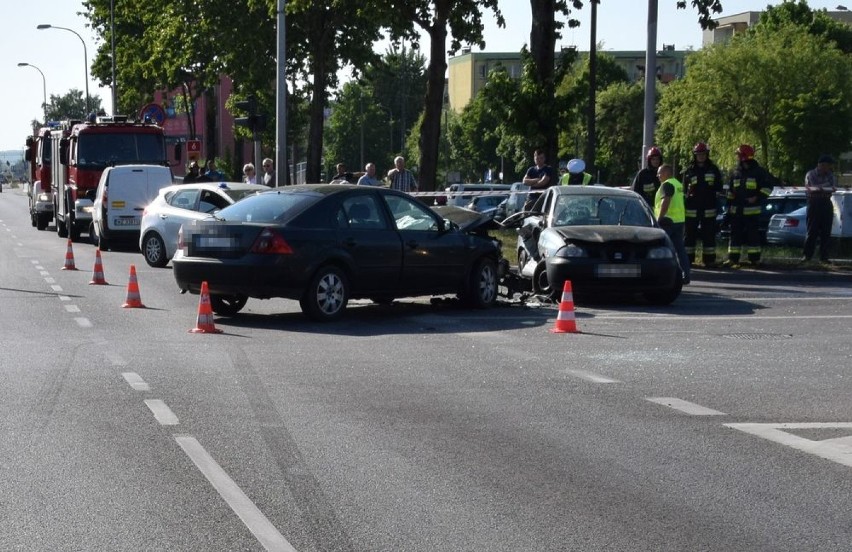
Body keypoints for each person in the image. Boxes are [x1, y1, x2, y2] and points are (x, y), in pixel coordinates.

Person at [723, 144, 773, 267]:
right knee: (735, 236)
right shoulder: (735, 172)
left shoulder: (759, 172)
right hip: (736, 211)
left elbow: (768, 188)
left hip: (751, 211)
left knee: (753, 236)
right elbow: (730, 190)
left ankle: (754, 260)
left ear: (744, 156)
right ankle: (733, 259)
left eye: (739, 155)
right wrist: (728, 207)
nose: (737, 158)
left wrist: (756, 197)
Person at [681, 142, 724, 267]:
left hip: (708, 207)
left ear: (707, 154)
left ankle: (709, 260)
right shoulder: (689, 171)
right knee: (689, 235)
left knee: (709, 235)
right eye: (698, 154)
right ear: (695, 155)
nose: (701, 156)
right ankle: (688, 260)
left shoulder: (713, 169)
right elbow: (683, 190)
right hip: (692, 208)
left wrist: (712, 190)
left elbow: (719, 186)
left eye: (703, 154)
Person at [656, 164, 690, 284]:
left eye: (660, 173)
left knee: (659, 249)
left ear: (667, 173)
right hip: (679, 221)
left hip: (667, 222)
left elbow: (666, 201)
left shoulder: (667, 184)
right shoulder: (678, 184)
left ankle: (660, 275)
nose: (658, 175)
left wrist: (658, 219)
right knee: (680, 250)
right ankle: (685, 275)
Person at [802, 155, 837, 263]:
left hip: (826, 202)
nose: (830, 168)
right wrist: (824, 187)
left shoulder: (830, 175)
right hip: (814, 203)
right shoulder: (811, 174)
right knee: (812, 230)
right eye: (828, 165)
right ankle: (807, 256)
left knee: (826, 231)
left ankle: (824, 257)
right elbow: (812, 187)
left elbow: (833, 187)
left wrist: (821, 188)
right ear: (822, 165)